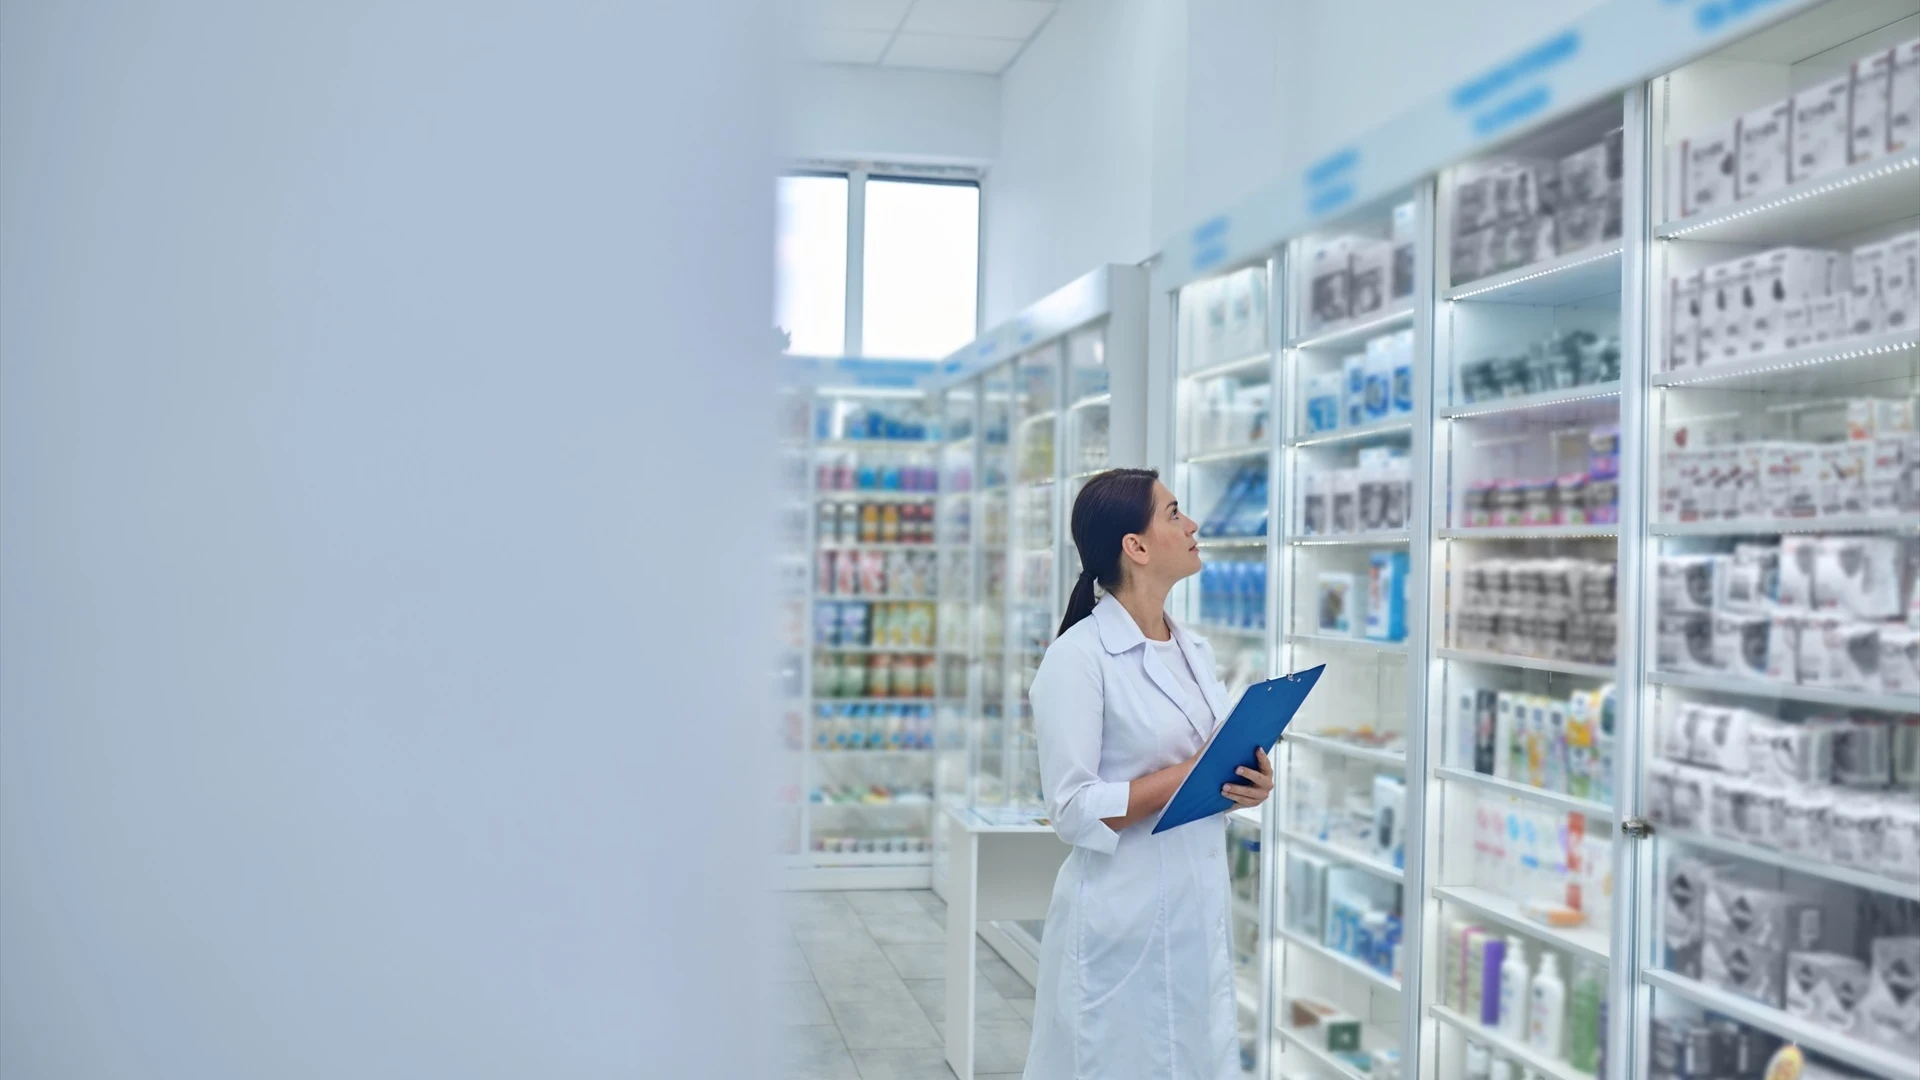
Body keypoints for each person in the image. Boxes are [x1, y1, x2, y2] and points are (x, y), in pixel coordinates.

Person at [1022, 468, 1274, 1080]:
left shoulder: (1195, 650)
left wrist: (1245, 783)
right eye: (1174, 513)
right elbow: (1073, 809)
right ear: (1134, 546)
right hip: (1120, 923)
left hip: (1195, 912)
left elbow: (1203, 771)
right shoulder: (1077, 658)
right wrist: (1195, 773)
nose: (1192, 526)